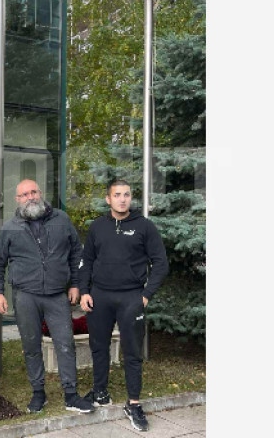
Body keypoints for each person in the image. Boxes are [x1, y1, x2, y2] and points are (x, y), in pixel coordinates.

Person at [0, 179, 96, 415]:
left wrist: (76, 284)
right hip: (26, 296)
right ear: (17, 199)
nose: (30, 197)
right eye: (24, 194)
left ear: (40, 193)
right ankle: (38, 393)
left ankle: (71, 395)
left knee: (65, 344)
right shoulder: (10, 227)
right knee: (31, 347)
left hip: (57, 295)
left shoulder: (61, 219)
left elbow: (76, 252)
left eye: (33, 192)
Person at [78, 179, 169, 432]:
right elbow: (86, 260)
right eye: (117, 195)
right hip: (100, 297)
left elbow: (161, 263)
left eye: (126, 195)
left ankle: (134, 403)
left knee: (132, 352)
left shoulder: (144, 227)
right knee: (99, 347)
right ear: (108, 199)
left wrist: (146, 295)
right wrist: (84, 291)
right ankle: (100, 393)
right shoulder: (97, 226)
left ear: (131, 198)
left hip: (131, 298)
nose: (122, 199)